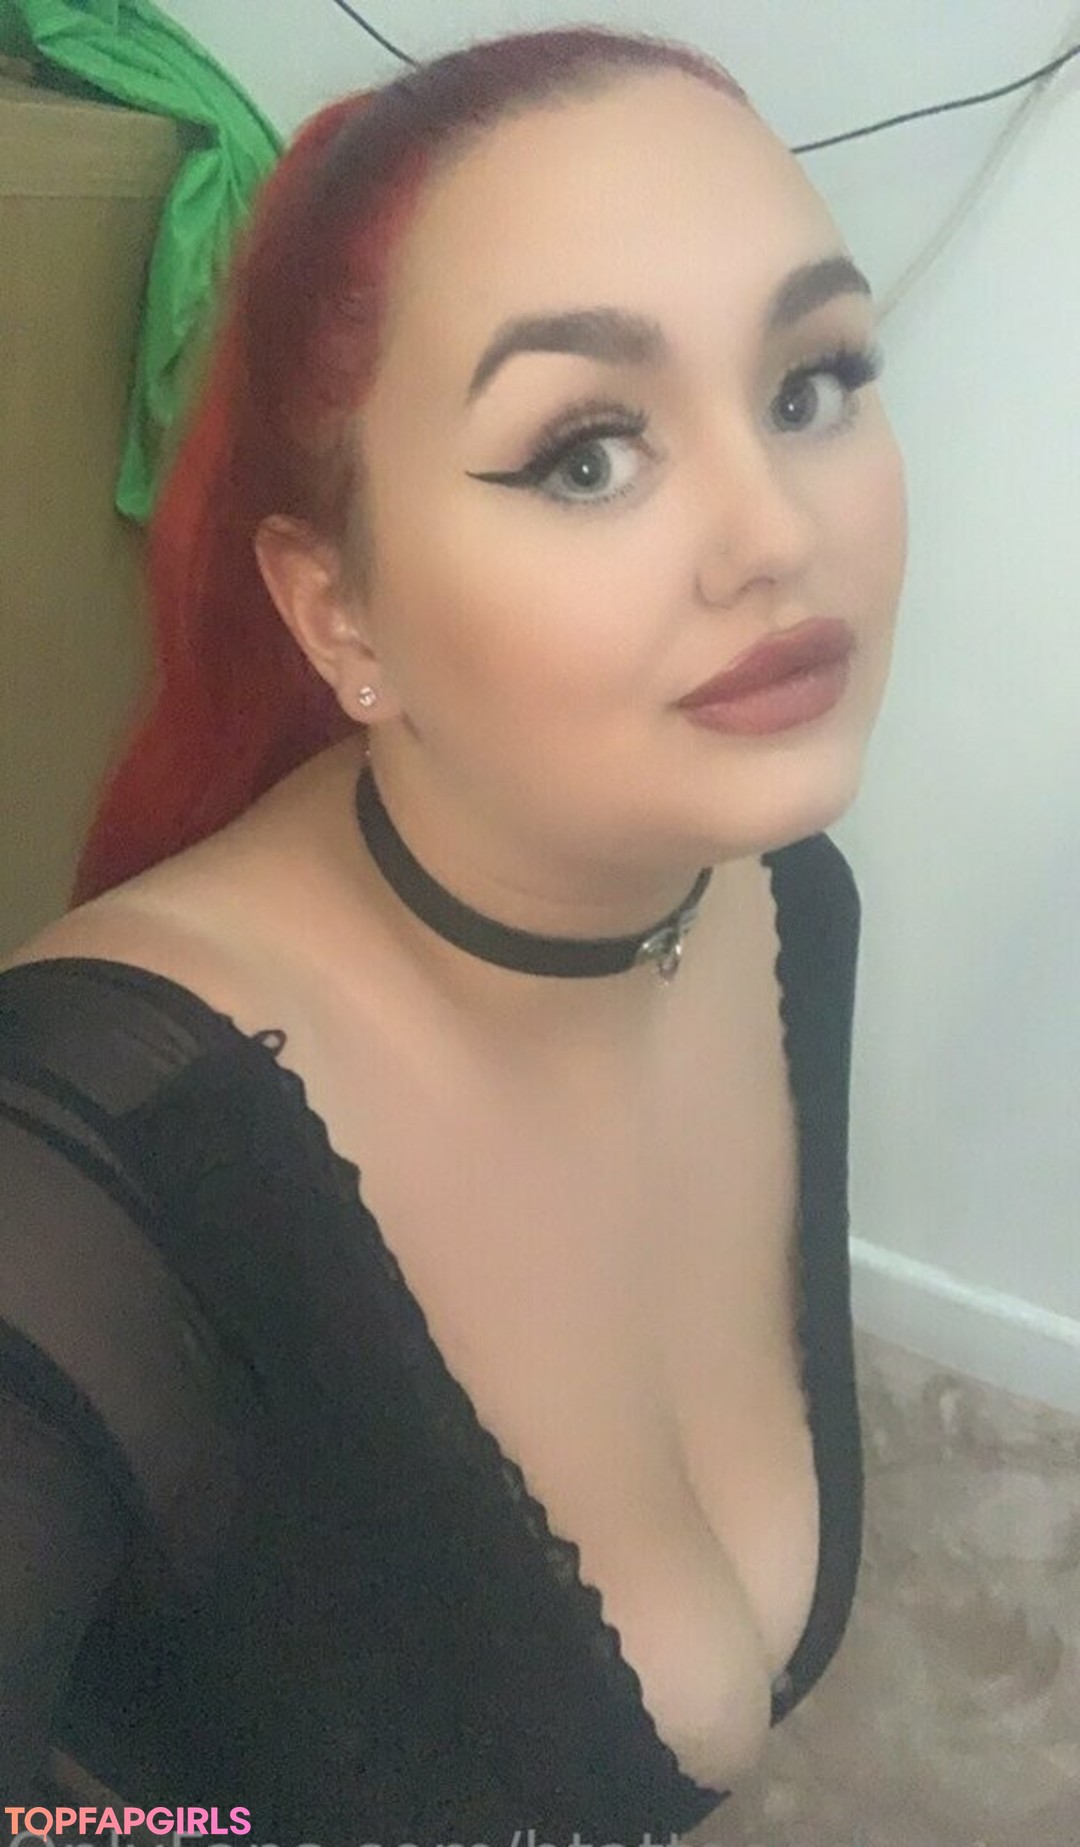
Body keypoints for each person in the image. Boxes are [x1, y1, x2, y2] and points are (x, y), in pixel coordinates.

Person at [0, 23, 907, 1844]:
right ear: (337, 610)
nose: (773, 533)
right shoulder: (92, 1153)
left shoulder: (777, 901)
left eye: (811, 384)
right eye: (586, 454)